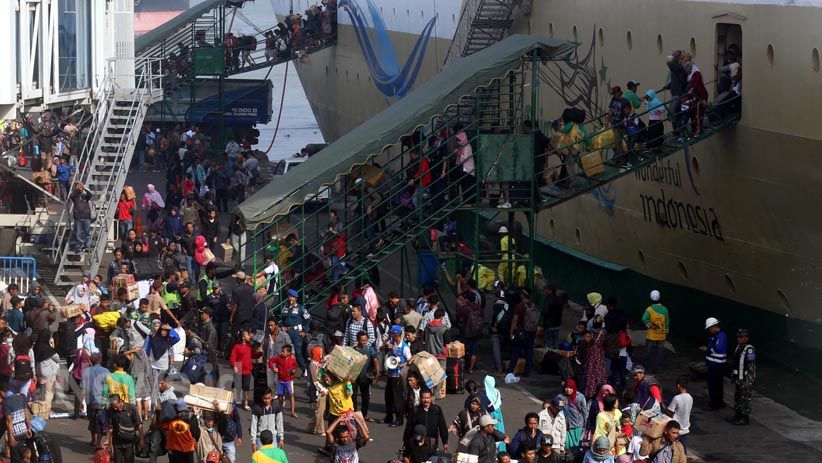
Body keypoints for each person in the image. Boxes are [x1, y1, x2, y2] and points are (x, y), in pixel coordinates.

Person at [403, 388, 449, 458]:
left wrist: (445, 442)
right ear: (420, 398)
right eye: (423, 398)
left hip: (433, 443)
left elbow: (442, 426)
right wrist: (406, 443)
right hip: (418, 442)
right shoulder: (415, 410)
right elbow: (408, 428)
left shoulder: (437, 410)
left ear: (431, 398)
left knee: (432, 459)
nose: (426, 400)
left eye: (427, 398)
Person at [507, 289, 540, 377]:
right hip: (531, 333)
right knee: (529, 354)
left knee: (516, 352)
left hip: (521, 333)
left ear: (522, 295)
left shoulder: (519, 306)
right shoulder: (534, 306)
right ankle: (527, 373)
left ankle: (509, 371)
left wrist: (511, 332)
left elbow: (515, 320)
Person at [383, 325, 411, 426]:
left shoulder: (404, 347)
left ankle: (399, 419)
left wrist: (402, 364)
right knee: (388, 396)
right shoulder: (391, 343)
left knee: (398, 398)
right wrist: (386, 346)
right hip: (390, 374)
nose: (391, 335)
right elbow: (382, 348)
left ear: (397, 334)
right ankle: (388, 417)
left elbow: (410, 360)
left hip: (398, 375)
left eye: (392, 334)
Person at [81, 351, 110, 448]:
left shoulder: (86, 371)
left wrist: (82, 401)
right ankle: (98, 441)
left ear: (90, 361)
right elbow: (110, 387)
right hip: (103, 401)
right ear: (100, 360)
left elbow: (83, 388)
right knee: (101, 422)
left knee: (92, 420)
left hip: (91, 401)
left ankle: (93, 439)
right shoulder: (106, 371)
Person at [105, 393, 144, 463]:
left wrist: (141, 440)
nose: (114, 408)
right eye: (112, 406)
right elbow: (110, 428)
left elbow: (139, 425)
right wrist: (108, 441)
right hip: (117, 443)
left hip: (129, 443)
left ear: (120, 402)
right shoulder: (110, 411)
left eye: (115, 406)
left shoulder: (131, 409)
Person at [280, 289, 311, 374]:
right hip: (287, 333)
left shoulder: (300, 308)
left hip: (296, 333)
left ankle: (304, 368)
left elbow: (308, 319)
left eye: (292, 297)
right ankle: (288, 369)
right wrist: (282, 326)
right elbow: (282, 319)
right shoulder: (285, 307)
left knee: (298, 352)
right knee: (286, 351)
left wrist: (305, 331)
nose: (290, 298)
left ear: (296, 298)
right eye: (289, 296)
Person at [230, 329, 262, 411]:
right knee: (238, 386)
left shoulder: (249, 346)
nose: (250, 336)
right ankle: (236, 400)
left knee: (246, 387)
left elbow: (253, 355)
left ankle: (246, 403)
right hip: (239, 367)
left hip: (247, 369)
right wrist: (234, 365)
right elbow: (232, 357)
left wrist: (260, 353)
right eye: (248, 335)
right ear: (243, 337)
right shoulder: (237, 346)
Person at [700, 317, 727, 411]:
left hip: (716, 366)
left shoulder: (720, 336)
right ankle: (718, 402)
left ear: (714, 326)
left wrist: (706, 349)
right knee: (717, 385)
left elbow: (717, 349)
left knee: (714, 386)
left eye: (710, 328)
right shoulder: (715, 336)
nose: (709, 330)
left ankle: (714, 404)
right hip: (713, 365)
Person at [730, 328, 756, 425]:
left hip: (745, 380)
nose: (739, 339)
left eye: (741, 337)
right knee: (737, 397)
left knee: (745, 398)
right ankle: (737, 415)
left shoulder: (749, 350)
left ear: (746, 338)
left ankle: (744, 418)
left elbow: (751, 367)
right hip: (738, 379)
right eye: (738, 337)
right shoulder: (738, 348)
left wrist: (749, 381)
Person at [352, 331, 380, 421]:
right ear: (357, 340)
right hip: (355, 377)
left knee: (366, 397)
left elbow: (375, 361)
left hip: (366, 377)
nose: (364, 342)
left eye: (365, 340)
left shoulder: (370, 349)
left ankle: (364, 414)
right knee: (353, 397)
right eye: (362, 340)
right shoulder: (353, 350)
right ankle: (353, 414)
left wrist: (377, 374)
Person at [4, 380, 32, 462]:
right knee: (21, 451)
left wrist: (10, 436)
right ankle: (26, 456)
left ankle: (24, 457)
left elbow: (9, 421)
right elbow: (26, 414)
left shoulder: (7, 402)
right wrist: (29, 427)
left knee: (15, 458)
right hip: (23, 431)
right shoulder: (22, 398)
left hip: (15, 434)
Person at [641, 290, 668, 371]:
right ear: (659, 298)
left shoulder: (649, 309)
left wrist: (650, 326)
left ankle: (645, 366)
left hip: (651, 334)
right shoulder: (665, 309)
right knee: (659, 352)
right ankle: (657, 367)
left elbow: (644, 319)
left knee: (648, 351)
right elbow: (667, 322)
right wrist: (666, 332)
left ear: (650, 298)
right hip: (661, 334)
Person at [269, 344, 299, 417]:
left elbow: (295, 366)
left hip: (289, 380)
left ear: (288, 353)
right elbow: (270, 361)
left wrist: (294, 371)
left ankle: (292, 411)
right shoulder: (279, 358)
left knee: (291, 395)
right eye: (282, 351)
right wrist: (273, 368)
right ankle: (281, 410)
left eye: (283, 351)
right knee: (280, 396)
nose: (282, 353)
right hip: (281, 380)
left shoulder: (293, 359)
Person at [478, 375, 506, 451]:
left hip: (490, 415)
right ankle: (501, 451)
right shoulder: (497, 391)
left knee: (491, 432)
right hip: (498, 414)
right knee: (500, 431)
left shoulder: (483, 394)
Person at [560, 379, 588, 453]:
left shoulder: (580, 397)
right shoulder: (561, 397)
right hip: (566, 425)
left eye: (570, 387)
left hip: (577, 425)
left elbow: (584, 412)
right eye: (566, 387)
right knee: (566, 443)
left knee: (576, 445)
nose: (568, 390)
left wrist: (585, 425)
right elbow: (560, 409)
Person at [665, 377, 693, 450]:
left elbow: (669, 412)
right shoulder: (690, 397)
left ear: (678, 386)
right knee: (682, 451)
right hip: (685, 429)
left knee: (673, 451)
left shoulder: (677, 398)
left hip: (675, 430)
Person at [542, 284, 563, 348]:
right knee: (555, 341)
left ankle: (548, 356)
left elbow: (546, 312)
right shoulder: (559, 299)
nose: (546, 291)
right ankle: (555, 355)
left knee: (547, 344)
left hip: (549, 324)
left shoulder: (547, 300)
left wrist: (540, 311)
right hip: (557, 324)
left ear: (550, 290)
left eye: (547, 289)